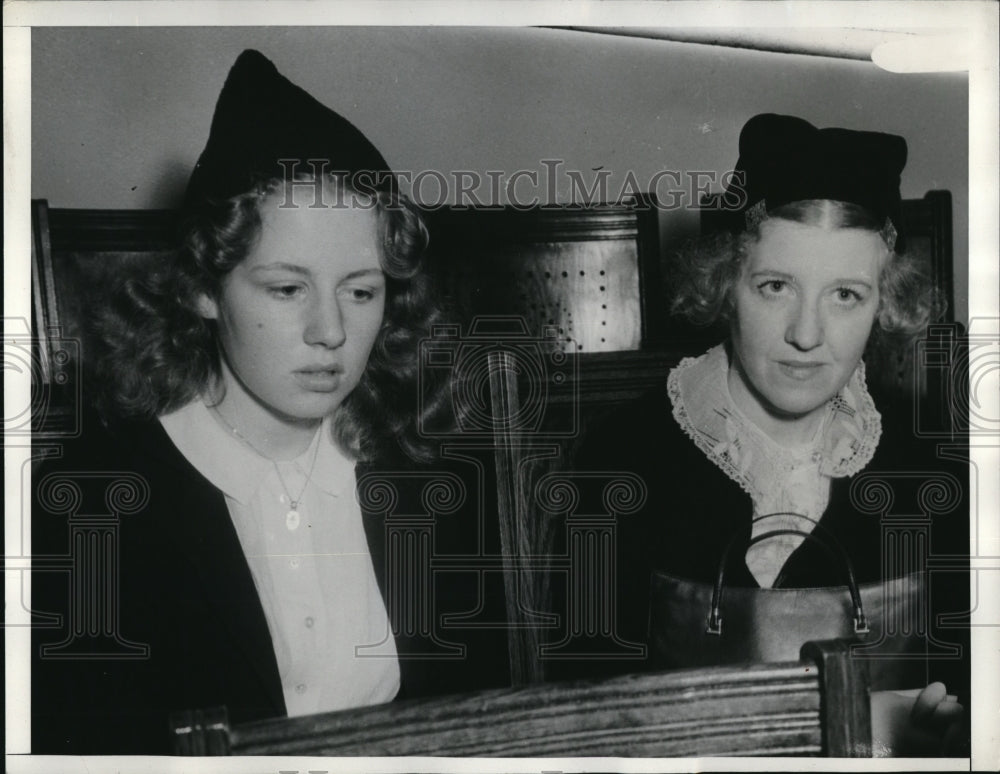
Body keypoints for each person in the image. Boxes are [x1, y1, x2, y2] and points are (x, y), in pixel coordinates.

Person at [31, 50, 507, 755]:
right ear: (201, 287)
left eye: (361, 290)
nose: (331, 332)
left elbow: (479, 730)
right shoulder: (88, 503)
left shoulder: (431, 480)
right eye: (287, 289)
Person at [569, 114, 969, 756]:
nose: (807, 334)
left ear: (885, 303)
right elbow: (582, 720)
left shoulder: (931, 474)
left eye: (846, 295)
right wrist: (856, 723)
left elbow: (970, 689)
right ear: (726, 284)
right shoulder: (620, 460)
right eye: (775, 286)